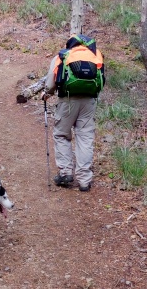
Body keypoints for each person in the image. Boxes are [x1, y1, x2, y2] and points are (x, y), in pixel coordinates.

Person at [42, 34, 104, 192]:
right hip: (89, 102)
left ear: (70, 45)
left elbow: (51, 83)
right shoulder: (96, 55)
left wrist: (47, 94)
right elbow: (101, 80)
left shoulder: (62, 56)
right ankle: (84, 180)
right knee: (85, 138)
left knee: (61, 134)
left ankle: (65, 173)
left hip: (68, 101)